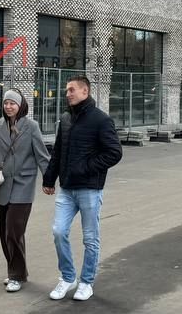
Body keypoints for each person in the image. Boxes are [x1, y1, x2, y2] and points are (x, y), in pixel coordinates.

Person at [42, 76, 122, 302]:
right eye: (67, 90)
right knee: (59, 231)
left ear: (85, 92)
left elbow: (114, 152)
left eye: (72, 90)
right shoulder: (66, 118)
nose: (67, 94)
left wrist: (85, 167)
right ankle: (68, 277)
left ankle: (86, 282)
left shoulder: (101, 120)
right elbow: (58, 151)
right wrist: (49, 178)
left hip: (89, 189)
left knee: (90, 238)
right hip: (67, 189)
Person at [0, 90, 50, 293]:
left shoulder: (31, 126)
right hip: (4, 185)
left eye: (13, 103)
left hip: (24, 184)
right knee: (5, 232)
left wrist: (49, 180)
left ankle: (16, 276)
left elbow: (42, 156)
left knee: (13, 230)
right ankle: (17, 271)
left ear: (21, 106)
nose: (8, 107)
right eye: (6, 103)